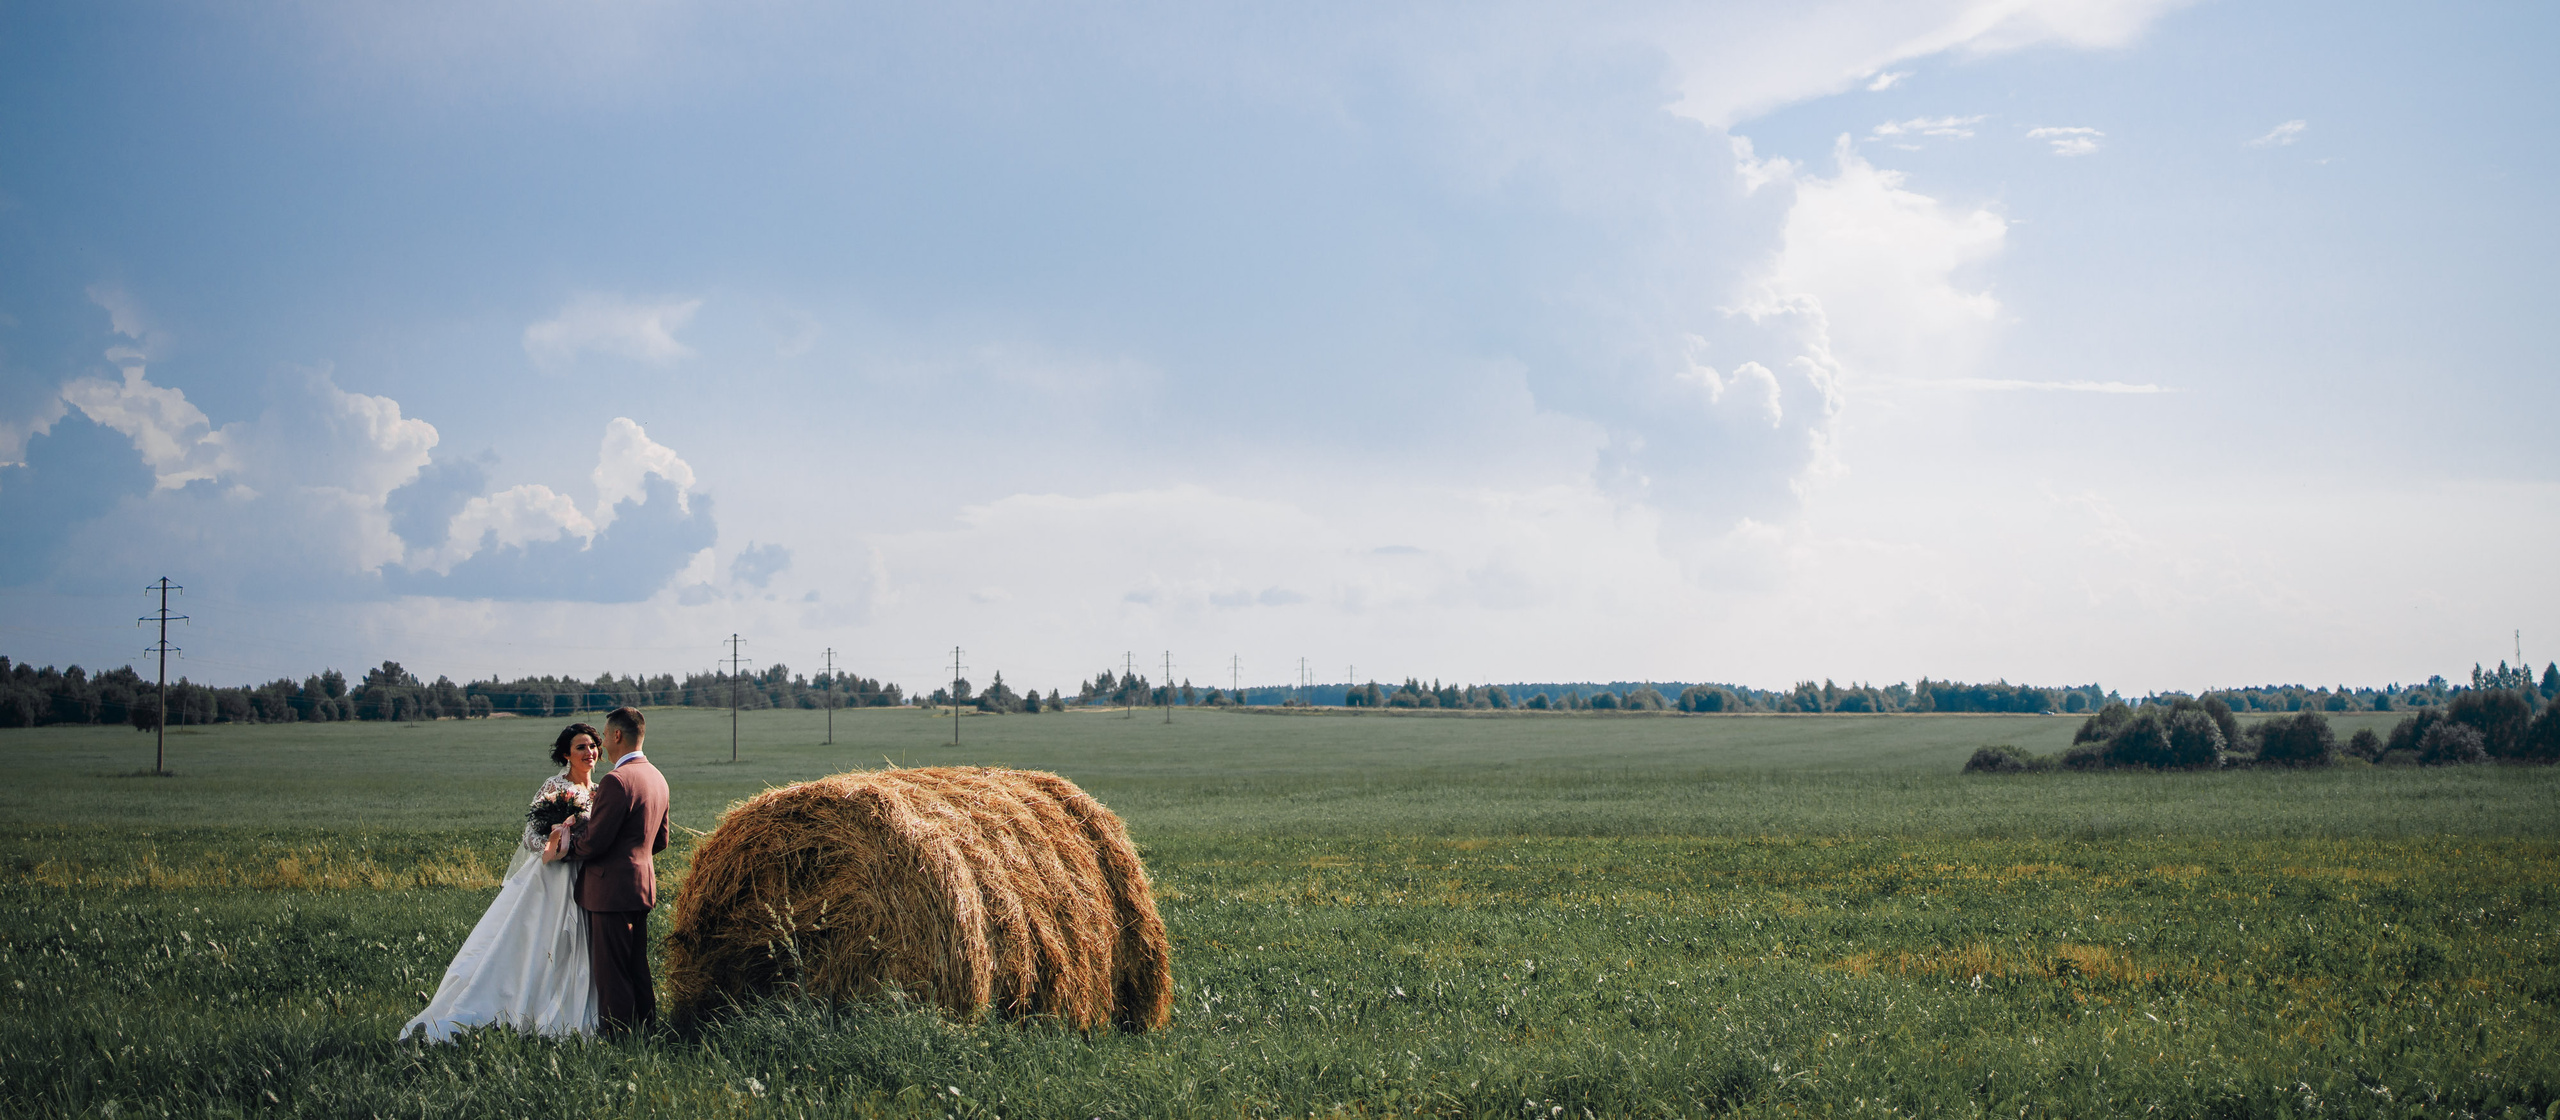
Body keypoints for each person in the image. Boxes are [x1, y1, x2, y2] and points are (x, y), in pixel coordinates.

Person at [401, 723, 603, 1042]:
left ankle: (569, 1005)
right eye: (580, 747)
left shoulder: (598, 790)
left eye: (592, 746)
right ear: (566, 754)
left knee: (574, 946)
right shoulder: (554, 785)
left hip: (584, 877)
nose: (589, 752)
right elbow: (531, 835)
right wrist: (560, 848)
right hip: (551, 876)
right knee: (537, 941)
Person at [557, 705, 670, 1035]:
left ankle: (620, 1039)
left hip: (610, 890)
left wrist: (566, 848)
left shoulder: (617, 781)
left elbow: (595, 842)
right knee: (637, 965)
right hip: (641, 887)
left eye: (604, 736)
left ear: (618, 735)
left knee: (612, 970)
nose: (602, 743)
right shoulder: (656, 777)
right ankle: (647, 1031)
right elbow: (660, 840)